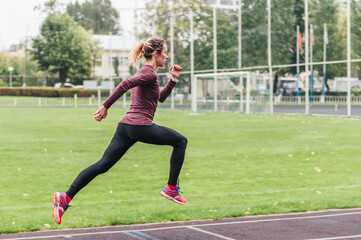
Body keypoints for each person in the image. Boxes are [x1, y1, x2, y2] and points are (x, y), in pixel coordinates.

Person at [52, 37, 188, 225]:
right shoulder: (149, 74)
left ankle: (65, 198)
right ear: (156, 54)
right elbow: (125, 84)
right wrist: (105, 106)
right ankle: (171, 188)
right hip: (140, 126)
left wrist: (173, 80)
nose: (166, 56)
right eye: (165, 52)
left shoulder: (146, 73)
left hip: (126, 127)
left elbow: (159, 98)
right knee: (181, 141)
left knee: (102, 165)